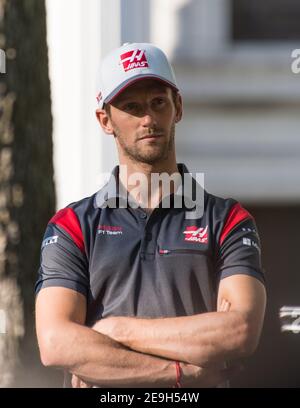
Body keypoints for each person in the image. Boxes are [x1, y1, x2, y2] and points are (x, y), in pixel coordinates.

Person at [35, 42, 266, 388]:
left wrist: (114, 331)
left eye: (158, 102)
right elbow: (55, 344)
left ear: (178, 107)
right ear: (105, 120)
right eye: (131, 106)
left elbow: (240, 329)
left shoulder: (228, 219)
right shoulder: (71, 225)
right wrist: (180, 372)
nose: (148, 119)